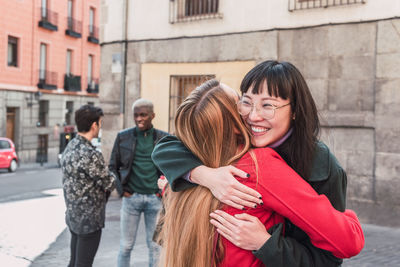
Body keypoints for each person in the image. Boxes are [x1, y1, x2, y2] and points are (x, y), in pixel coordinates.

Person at [152, 60, 353, 266]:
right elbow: (167, 145)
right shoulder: (232, 144)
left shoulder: (320, 166)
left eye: (268, 106)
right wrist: (203, 175)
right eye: (246, 102)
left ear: (295, 110)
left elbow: (329, 259)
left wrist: (266, 244)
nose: (253, 116)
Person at [109, 99, 168, 267]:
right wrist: (121, 191)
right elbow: (112, 166)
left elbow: (171, 168)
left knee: (155, 247)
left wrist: (162, 192)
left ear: (152, 116)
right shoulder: (123, 137)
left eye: (143, 115)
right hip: (131, 199)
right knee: (126, 246)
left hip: (155, 199)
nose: (139, 119)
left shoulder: (164, 138)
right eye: (136, 115)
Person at [61, 104, 116, 267]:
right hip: (89, 221)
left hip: (73, 217)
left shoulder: (70, 147)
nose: (100, 126)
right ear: (94, 125)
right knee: (83, 264)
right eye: (100, 123)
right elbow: (110, 182)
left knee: (74, 262)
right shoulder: (90, 154)